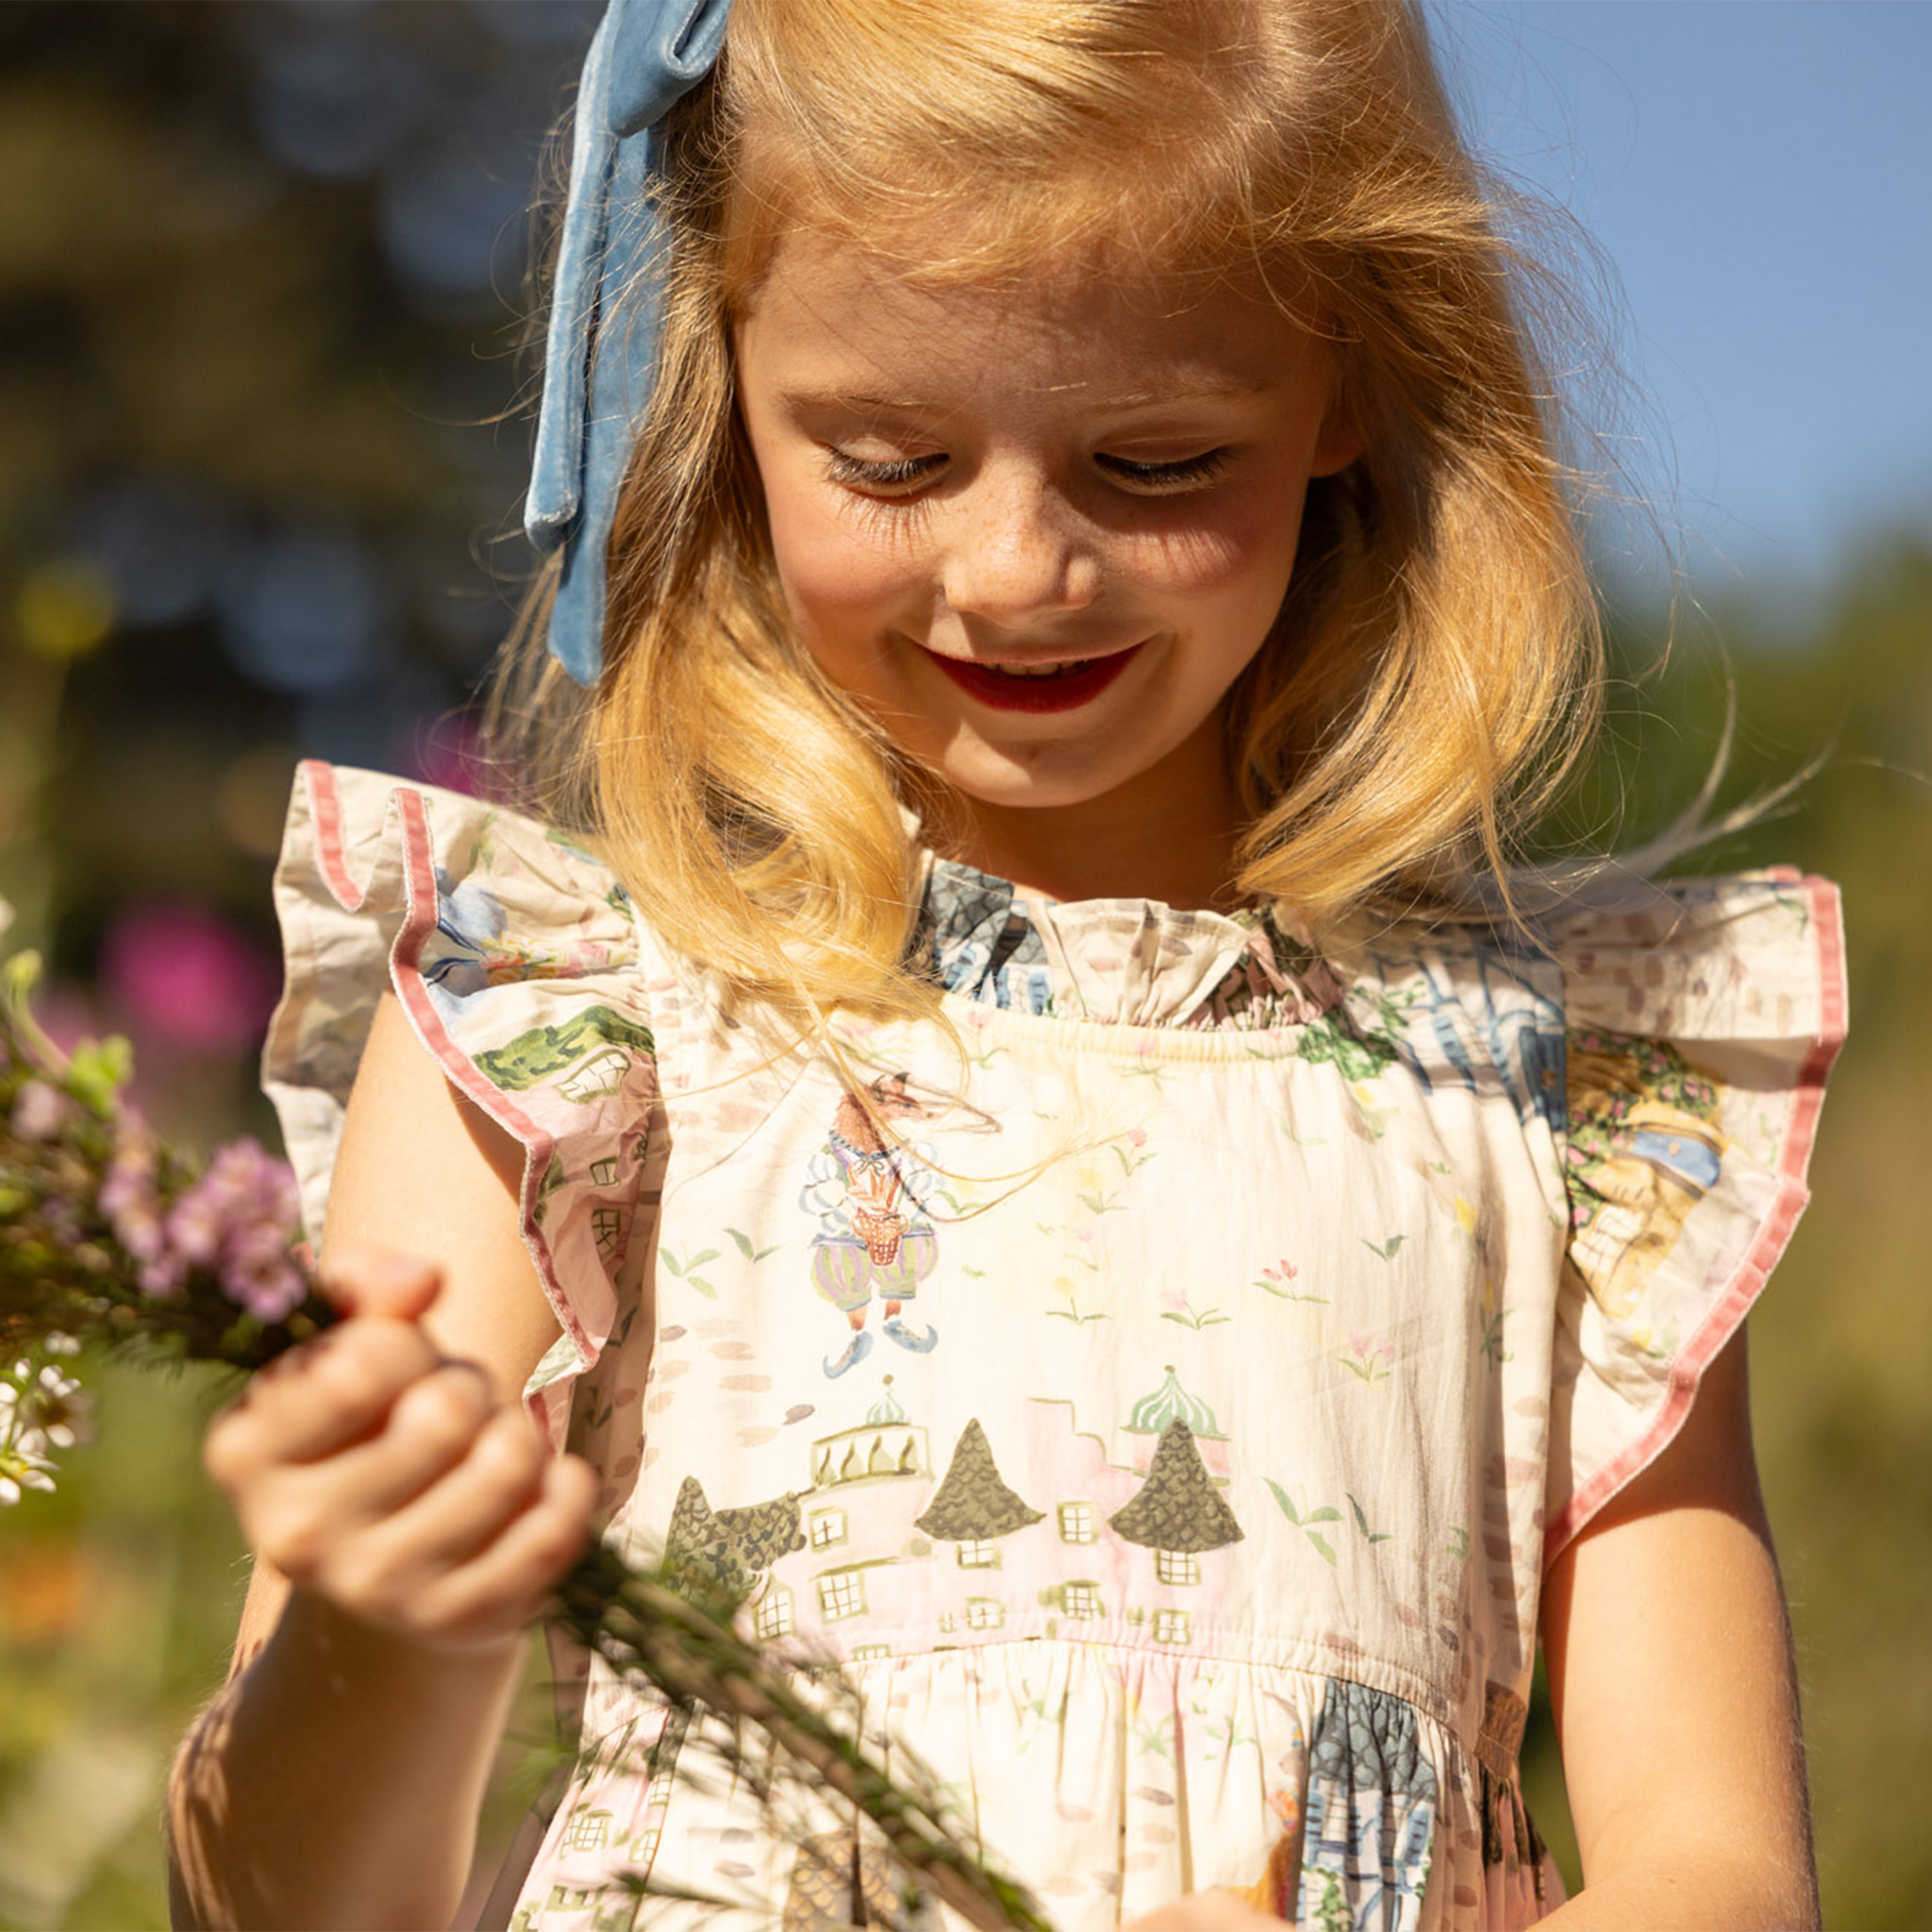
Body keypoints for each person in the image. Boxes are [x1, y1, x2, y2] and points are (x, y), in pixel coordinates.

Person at [165, 1, 1846, 1927]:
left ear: (1350, 382)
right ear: (724, 372)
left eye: (1155, 460)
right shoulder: (566, 1025)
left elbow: (1719, 1871)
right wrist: (388, 1626)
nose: (1016, 569)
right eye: (892, 458)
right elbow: (269, 1905)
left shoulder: (1550, 1099)